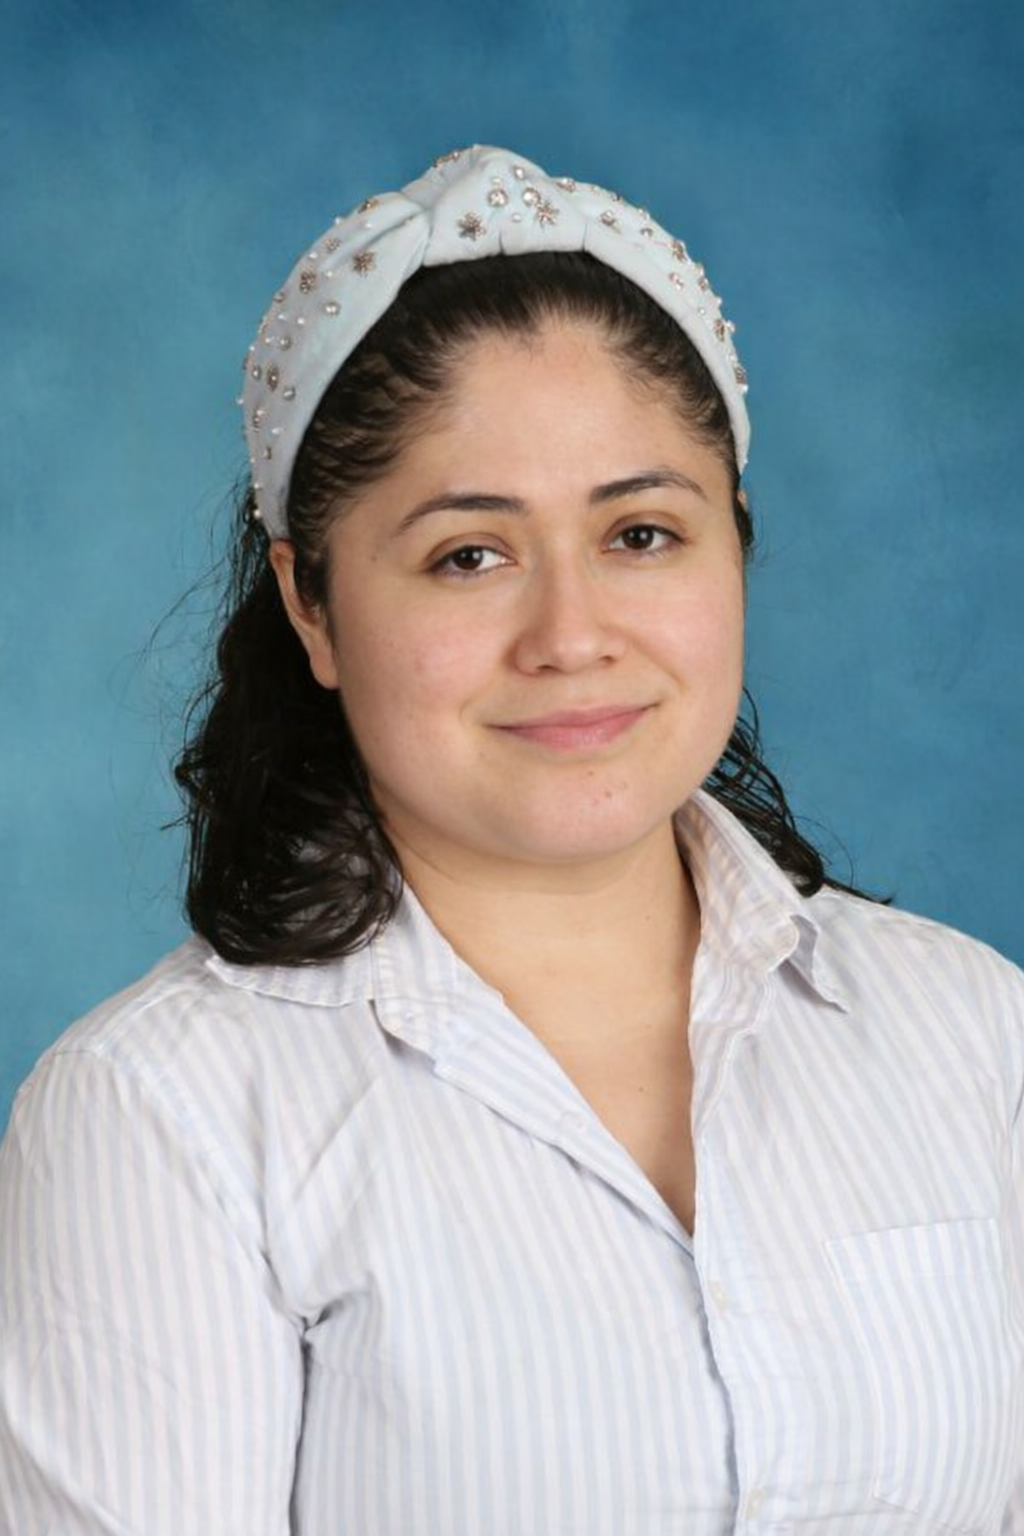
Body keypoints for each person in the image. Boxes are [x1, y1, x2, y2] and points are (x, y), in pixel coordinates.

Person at [0, 144, 1021, 1534]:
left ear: (738, 546)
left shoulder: (973, 1028)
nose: (572, 637)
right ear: (312, 607)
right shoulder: (165, 1117)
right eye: (468, 556)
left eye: (645, 534)